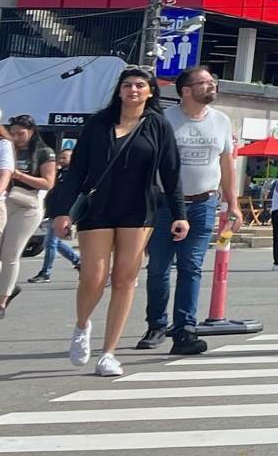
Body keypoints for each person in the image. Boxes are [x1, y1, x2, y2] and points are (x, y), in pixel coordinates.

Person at [49, 66, 187, 378]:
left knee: (125, 279)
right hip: (98, 208)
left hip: (139, 210)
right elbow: (77, 170)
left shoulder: (158, 125)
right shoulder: (99, 123)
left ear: (150, 91)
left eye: (140, 85)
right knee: (93, 277)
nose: (134, 90)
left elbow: (171, 172)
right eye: (128, 85)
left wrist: (180, 214)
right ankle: (82, 325)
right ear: (120, 90)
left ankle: (108, 353)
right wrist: (63, 211)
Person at [137, 65, 238, 354]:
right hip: (164, 204)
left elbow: (227, 165)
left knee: (191, 267)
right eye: (205, 83)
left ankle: (185, 328)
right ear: (185, 90)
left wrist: (233, 204)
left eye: (213, 81)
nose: (212, 87)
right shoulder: (162, 120)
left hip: (204, 203)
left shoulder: (221, 121)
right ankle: (156, 324)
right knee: (158, 267)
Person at [0, 115, 58, 315]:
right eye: (13, 133)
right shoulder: (9, 149)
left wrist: (18, 174)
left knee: (10, 253)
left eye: (20, 133)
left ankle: (2, 301)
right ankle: (9, 285)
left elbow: (48, 183)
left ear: (31, 131)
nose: (16, 137)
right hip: (6, 202)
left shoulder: (43, 152)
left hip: (28, 205)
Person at [28, 145, 81, 283]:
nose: (60, 160)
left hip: (62, 214)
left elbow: (68, 196)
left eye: (64, 157)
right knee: (52, 243)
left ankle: (46, 272)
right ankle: (79, 261)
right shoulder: (60, 174)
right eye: (60, 157)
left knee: (50, 243)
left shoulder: (72, 176)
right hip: (53, 212)